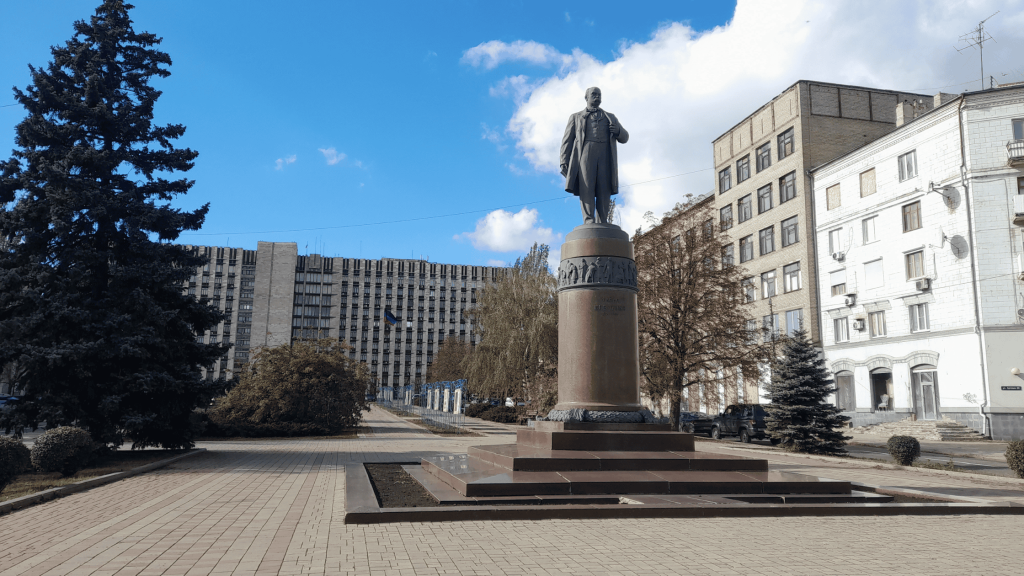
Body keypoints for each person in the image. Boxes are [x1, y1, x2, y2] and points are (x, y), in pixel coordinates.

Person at [559, 87, 629, 224]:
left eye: (599, 95)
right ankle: (589, 219)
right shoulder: (576, 117)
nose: (597, 97)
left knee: (604, 187)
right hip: (585, 153)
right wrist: (563, 160)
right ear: (586, 98)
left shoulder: (611, 117)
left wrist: (618, 130)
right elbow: (567, 141)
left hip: (605, 154)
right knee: (586, 186)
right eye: (594, 94)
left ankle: (603, 220)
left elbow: (625, 137)